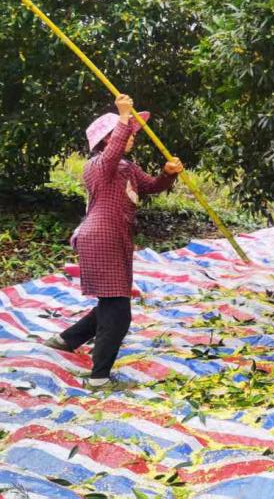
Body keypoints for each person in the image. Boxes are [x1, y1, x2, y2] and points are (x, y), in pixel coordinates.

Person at [44, 93, 183, 386]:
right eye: (127, 132)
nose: (132, 136)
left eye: (132, 131)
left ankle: (65, 340)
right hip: (99, 238)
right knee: (119, 314)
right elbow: (111, 154)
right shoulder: (97, 165)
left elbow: (151, 187)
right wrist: (122, 116)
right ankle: (99, 378)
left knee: (111, 303)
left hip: (116, 240)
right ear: (108, 139)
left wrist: (167, 174)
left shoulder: (126, 168)